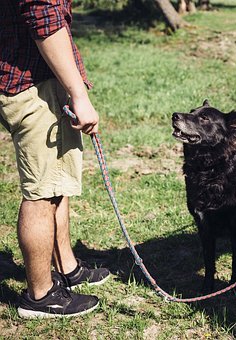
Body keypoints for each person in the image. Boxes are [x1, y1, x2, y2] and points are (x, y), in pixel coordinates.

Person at [0, 0, 111, 318]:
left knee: (55, 180)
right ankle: (40, 295)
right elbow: (44, 18)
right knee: (42, 192)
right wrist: (79, 94)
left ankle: (67, 268)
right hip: (33, 82)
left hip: (26, 75)